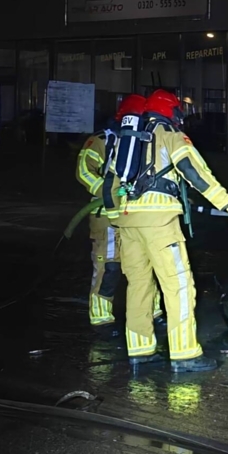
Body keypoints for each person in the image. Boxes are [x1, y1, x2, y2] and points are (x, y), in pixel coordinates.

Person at [104, 89, 228, 371]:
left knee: (139, 287)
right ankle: (185, 354)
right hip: (160, 224)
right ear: (171, 111)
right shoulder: (169, 135)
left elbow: (109, 184)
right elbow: (197, 174)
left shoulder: (125, 139)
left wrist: (119, 216)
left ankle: (140, 351)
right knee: (179, 286)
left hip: (127, 222)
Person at [75, 95, 162, 336]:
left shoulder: (150, 140)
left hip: (139, 213)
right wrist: (107, 192)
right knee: (109, 266)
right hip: (107, 215)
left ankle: (153, 314)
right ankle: (102, 319)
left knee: (147, 265)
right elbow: (84, 171)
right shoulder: (101, 140)